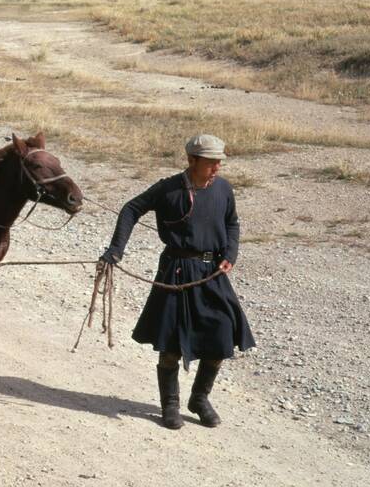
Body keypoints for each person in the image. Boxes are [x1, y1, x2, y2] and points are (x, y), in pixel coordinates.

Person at [99, 134, 255, 430]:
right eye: (210, 162)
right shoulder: (168, 189)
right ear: (192, 160)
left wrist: (230, 254)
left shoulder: (223, 188)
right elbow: (131, 209)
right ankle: (170, 405)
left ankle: (199, 399)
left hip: (212, 272)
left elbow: (232, 223)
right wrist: (116, 250)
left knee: (222, 334)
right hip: (177, 271)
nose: (217, 167)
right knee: (171, 342)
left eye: (219, 162)